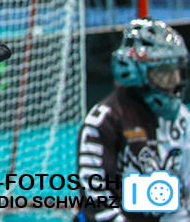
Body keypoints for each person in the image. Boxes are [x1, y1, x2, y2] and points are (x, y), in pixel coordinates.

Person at [76, 18, 190, 222]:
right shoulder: (104, 121)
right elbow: (97, 204)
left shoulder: (182, 118)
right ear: (136, 73)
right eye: (164, 73)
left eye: (176, 71)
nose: (175, 82)